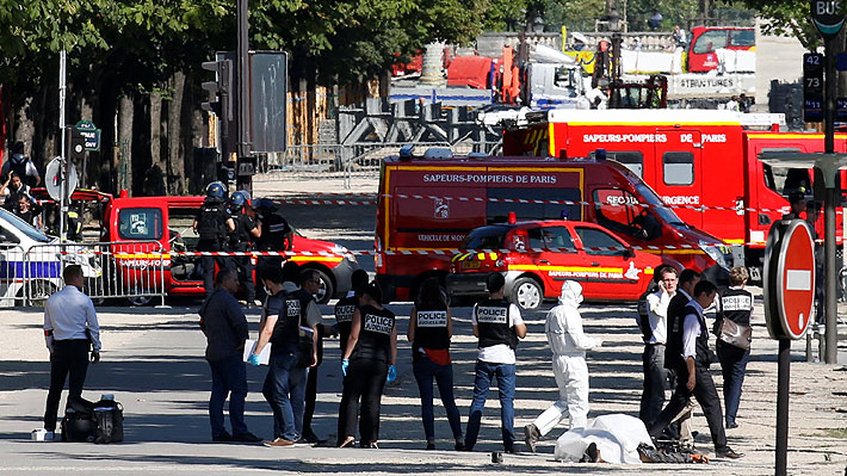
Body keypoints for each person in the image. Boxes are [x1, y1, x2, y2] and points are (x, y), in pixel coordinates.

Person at [649, 280, 743, 459]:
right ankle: (721, 447)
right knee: (712, 404)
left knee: (679, 401)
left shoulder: (695, 310)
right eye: (711, 297)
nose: (712, 301)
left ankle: (651, 433)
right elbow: (689, 348)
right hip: (695, 367)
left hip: (693, 366)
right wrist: (692, 375)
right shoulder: (692, 314)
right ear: (703, 295)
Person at [524, 281, 602, 453]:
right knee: (579, 405)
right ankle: (575, 445)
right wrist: (595, 342)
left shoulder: (552, 312)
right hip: (573, 360)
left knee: (565, 401)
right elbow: (579, 341)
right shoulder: (571, 313)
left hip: (557, 359)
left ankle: (537, 427)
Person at [251, 261, 320, 446]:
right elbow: (302, 326)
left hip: (282, 351)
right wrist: (312, 351)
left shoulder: (275, 300)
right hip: (297, 350)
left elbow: (268, 328)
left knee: (277, 392)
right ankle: (292, 431)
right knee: (291, 393)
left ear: (268, 282)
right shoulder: (295, 299)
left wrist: (257, 352)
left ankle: (288, 433)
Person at [464, 272, 528, 453]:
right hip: (506, 359)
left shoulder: (478, 307)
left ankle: (469, 442)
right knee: (507, 402)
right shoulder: (511, 308)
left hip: (484, 357)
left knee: (478, 400)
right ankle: (509, 443)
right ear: (502, 288)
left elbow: (476, 333)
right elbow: (522, 333)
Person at [198, 268, 261, 443]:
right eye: (234, 280)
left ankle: (218, 430)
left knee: (218, 392)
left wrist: (211, 336)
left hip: (214, 352)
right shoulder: (228, 301)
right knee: (239, 390)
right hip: (230, 352)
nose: (238, 283)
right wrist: (243, 342)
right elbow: (240, 324)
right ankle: (239, 429)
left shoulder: (211, 298)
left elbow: (201, 322)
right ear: (225, 281)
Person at [41, 264, 101, 441]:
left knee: (55, 388)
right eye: (82, 276)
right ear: (75, 277)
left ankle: (49, 426)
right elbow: (93, 326)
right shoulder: (84, 300)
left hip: (60, 346)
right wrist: (96, 348)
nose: (83, 280)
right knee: (75, 388)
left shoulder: (52, 300)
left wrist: (51, 348)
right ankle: (71, 423)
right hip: (79, 346)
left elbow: (47, 328)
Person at [337, 281, 398, 448]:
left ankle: (349, 435)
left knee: (352, 398)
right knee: (372, 400)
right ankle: (371, 438)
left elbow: (354, 336)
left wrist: (346, 357)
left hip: (360, 359)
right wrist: (392, 363)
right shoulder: (389, 316)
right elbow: (393, 343)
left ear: (367, 297)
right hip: (380, 363)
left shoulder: (361, 311)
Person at [407, 277, 464, 451]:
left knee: (427, 402)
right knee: (449, 402)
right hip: (443, 359)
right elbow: (449, 334)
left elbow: (410, 336)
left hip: (423, 359)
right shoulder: (444, 309)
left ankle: (431, 440)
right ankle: (459, 438)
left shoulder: (417, 310)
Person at [714, 267, 753, 429]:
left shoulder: (721, 295)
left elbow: (718, 313)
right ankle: (731, 417)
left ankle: (727, 409)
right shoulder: (748, 296)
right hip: (742, 341)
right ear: (744, 281)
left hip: (725, 340)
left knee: (727, 377)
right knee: (737, 378)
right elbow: (750, 316)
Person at [639, 267, 678, 427]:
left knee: (678, 393)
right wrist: (663, 294)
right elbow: (661, 312)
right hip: (659, 348)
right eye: (666, 280)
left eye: (672, 280)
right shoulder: (652, 299)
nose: (670, 283)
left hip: (676, 348)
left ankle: (674, 429)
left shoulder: (679, 298)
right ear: (660, 282)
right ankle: (652, 428)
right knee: (657, 394)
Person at [301, 267, 331, 444]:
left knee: (295, 393)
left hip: (294, 351)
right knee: (308, 395)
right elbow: (315, 329)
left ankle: (291, 428)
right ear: (307, 283)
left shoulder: (292, 298)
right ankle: (305, 428)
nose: (319, 285)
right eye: (316, 282)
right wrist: (315, 353)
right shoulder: (308, 301)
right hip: (307, 354)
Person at [193, 181, 235, 296]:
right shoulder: (223, 209)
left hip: (205, 243)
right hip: (219, 242)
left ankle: (209, 296)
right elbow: (232, 226)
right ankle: (225, 293)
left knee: (208, 271)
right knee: (226, 268)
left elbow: (195, 226)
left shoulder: (202, 209)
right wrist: (226, 233)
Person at [227, 190, 261, 307]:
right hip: (243, 249)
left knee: (231, 275)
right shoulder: (245, 218)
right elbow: (257, 234)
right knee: (247, 276)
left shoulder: (227, 217)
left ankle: (231, 299)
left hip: (230, 248)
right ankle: (250, 301)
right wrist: (259, 224)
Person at [335, 268, 370, 354]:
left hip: (345, 346)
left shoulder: (340, 304)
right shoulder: (363, 304)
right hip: (363, 348)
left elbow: (341, 323)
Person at [806, 201, 824, 324]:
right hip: (812, 264)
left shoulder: (811, 227)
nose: (816, 216)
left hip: (814, 263)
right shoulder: (808, 227)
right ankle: (818, 318)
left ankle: (819, 316)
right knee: (819, 291)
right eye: (815, 213)